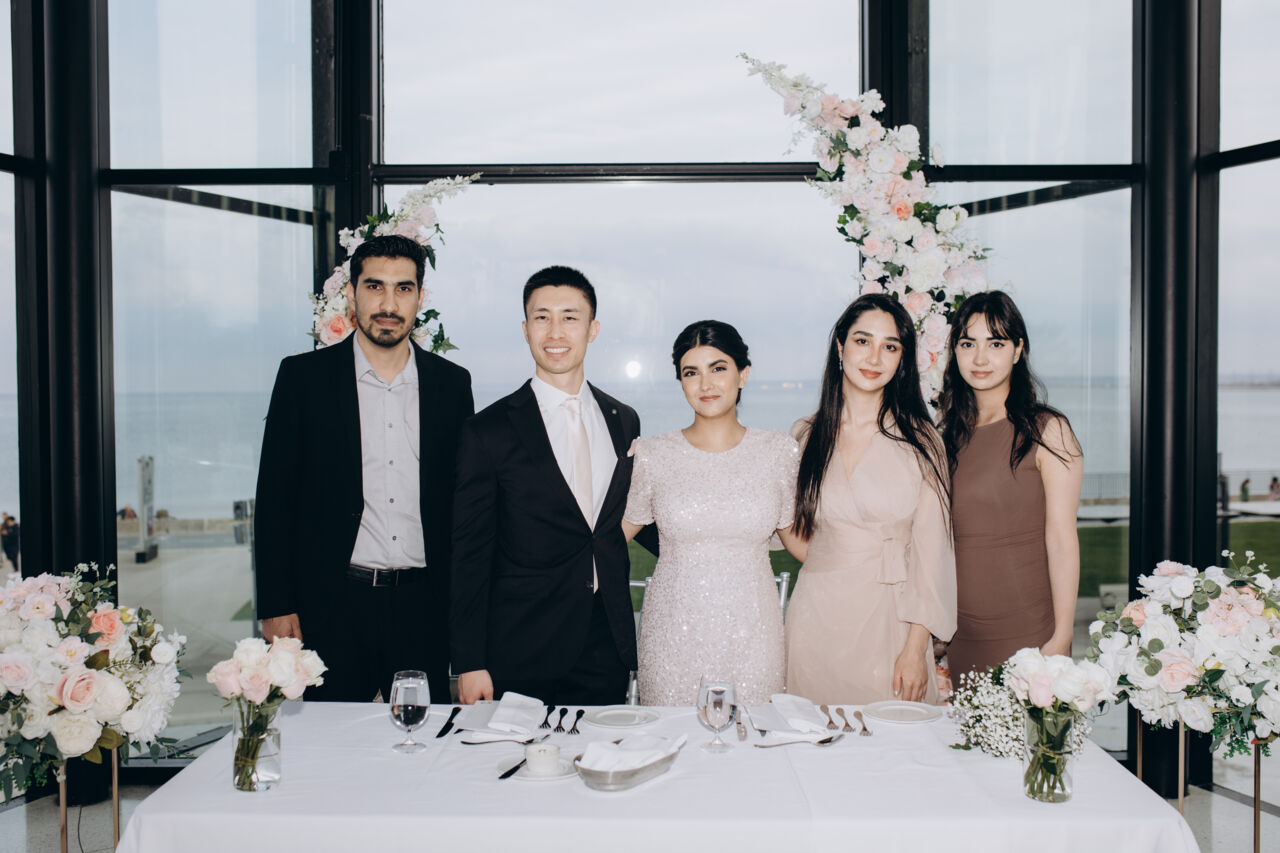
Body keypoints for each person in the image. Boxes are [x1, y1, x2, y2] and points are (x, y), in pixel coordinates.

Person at [254, 234, 474, 703]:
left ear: (419, 297)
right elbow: (275, 498)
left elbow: (463, 503)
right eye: (375, 286)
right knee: (329, 741)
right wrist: (276, 604)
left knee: (422, 739)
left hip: (424, 606)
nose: (388, 304)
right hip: (331, 604)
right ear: (352, 295)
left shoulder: (452, 386)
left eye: (403, 288)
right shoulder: (303, 380)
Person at [451, 266, 650, 706]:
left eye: (570, 317)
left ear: (592, 329)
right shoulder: (487, 430)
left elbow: (622, 516)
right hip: (520, 645)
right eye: (542, 318)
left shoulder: (623, 419)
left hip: (604, 643)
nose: (555, 332)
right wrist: (469, 660)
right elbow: (469, 553)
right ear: (526, 330)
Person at [784, 294, 956, 705]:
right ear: (840, 346)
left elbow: (933, 555)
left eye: (890, 346)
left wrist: (916, 648)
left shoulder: (922, 441)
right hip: (816, 619)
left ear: (902, 360)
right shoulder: (805, 435)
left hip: (891, 621)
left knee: (893, 739)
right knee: (812, 738)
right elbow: (795, 533)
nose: (874, 357)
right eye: (863, 341)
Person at [620, 320, 799, 705]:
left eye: (718, 368)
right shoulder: (652, 455)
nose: (706, 384)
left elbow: (803, 545)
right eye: (691, 373)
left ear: (743, 374)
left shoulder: (779, 453)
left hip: (755, 636)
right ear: (681, 383)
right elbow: (609, 538)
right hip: (672, 638)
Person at [939, 290, 1083, 684]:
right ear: (955, 352)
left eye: (996, 343)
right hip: (961, 636)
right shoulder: (945, 437)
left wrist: (1062, 637)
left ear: (1018, 350)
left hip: (1031, 637)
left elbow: (1062, 539)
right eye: (968, 344)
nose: (980, 358)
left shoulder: (1048, 431)